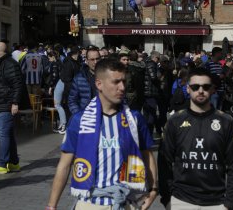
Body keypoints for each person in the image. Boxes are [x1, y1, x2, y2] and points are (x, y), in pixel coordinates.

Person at [47, 59, 158, 210]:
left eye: (124, 82)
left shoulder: (134, 119)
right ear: (99, 84)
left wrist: (153, 189)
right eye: (116, 82)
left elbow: (147, 155)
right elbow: (64, 165)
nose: (122, 87)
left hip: (125, 202)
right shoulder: (80, 120)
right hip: (90, 203)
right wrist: (51, 206)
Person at [158, 68, 233, 210]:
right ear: (188, 89)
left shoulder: (226, 121)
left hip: (216, 202)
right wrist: (167, 199)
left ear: (213, 90)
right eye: (195, 87)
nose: (201, 91)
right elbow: (164, 163)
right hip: (181, 201)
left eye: (206, 87)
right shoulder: (175, 121)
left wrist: (229, 203)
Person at [0, 42, 29, 174]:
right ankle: (14, 162)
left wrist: (15, 103)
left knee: (3, 134)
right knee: (8, 134)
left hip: (6, 104)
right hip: (2, 103)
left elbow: (17, 84)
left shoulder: (9, 64)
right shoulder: (2, 63)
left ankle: (2, 164)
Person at [68, 48, 100, 117]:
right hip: (85, 119)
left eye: (97, 59)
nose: (95, 62)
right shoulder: (79, 78)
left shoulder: (107, 77)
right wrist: (79, 116)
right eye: (92, 59)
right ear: (86, 60)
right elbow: (72, 100)